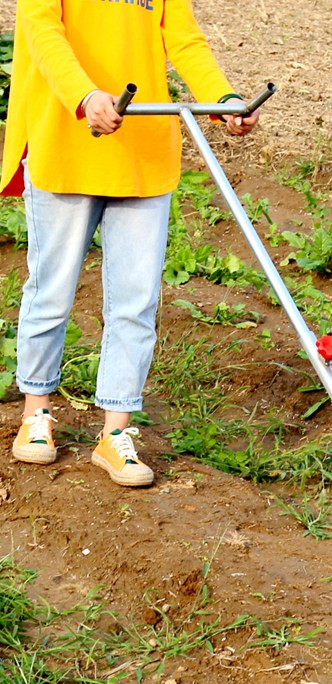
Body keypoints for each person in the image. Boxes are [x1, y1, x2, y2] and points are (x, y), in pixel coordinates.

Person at [0, 0, 259, 487]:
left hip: (141, 154)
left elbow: (185, 41)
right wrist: (85, 97)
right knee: (51, 292)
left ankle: (114, 434)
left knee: (136, 302)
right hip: (66, 144)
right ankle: (36, 412)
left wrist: (224, 100)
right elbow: (42, 33)